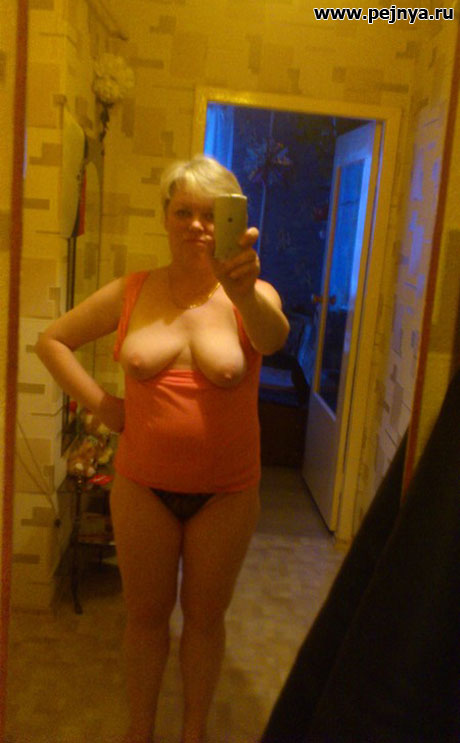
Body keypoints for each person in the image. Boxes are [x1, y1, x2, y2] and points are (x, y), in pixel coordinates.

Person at [36, 154, 290, 743]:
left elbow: (274, 340)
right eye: (183, 212)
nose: (197, 225)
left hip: (226, 495)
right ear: (165, 217)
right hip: (142, 487)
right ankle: (140, 732)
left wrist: (244, 293)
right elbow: (53, 341)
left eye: (211, 214)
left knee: (204, 622)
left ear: (230, 222)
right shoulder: (134, 290)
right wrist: (105, 407)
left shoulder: (254, 295)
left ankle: (193, 733)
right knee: (145, 621)